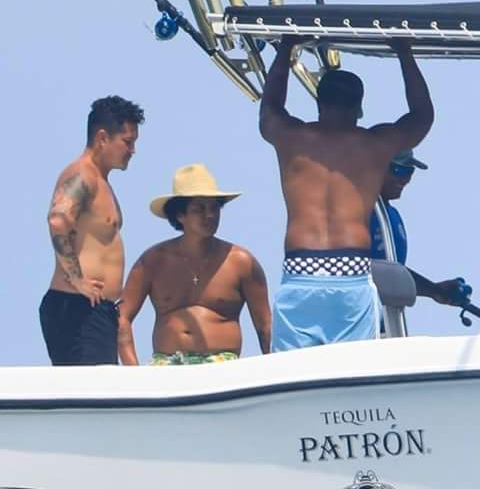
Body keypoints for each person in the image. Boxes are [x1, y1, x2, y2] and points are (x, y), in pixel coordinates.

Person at [259, 37, 434, 352]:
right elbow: (422, 116)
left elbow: (270, 108)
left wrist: (286, 48)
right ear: (358, 108)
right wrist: (404, 52)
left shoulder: (291, 138)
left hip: (301, 271)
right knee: (352, 370)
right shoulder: (375, 144)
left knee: (294, 374)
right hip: (351, 273)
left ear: (319, 103)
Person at [118, 163, 271, 365]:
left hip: (224, 367)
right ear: (180, 215)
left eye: (214, 208)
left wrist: (274, 372)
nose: (210, 215)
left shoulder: (241, 262)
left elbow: (265, 325)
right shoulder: (153, 261)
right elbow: (121, 317)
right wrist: (134, 373)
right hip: (166, 366)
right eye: (199, 209)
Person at [39, 95, 145, 365]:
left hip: (96, 310)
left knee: (104, 387)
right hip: (77, 308)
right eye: (127, 142)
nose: (133, 150)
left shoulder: (101, 181)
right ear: (102, 138)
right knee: (93, 389)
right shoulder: (82, 174)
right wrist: (77, 280)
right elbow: (58, 220)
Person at [371, 149, 466, 305]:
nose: (405, 179)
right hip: (356, 313)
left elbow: (392, 274)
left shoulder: (392, 214)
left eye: (409, 172)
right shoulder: (353, 211)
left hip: (385, 315)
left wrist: (434, 290)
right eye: (398, 170)